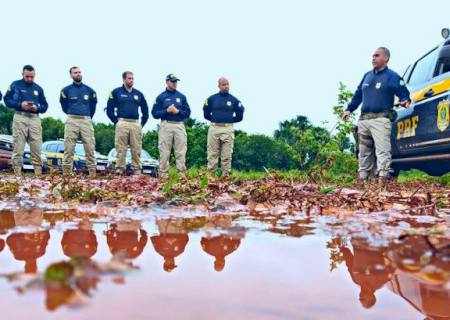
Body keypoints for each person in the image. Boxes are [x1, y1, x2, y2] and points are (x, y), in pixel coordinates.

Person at [343, 47, 411, 182]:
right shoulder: (367, 76)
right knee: (363, 153)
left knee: (382, 151)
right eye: (372, 56)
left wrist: (405, 101)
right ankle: (363, 180)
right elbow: (358, 95)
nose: (373, 58)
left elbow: (403, 92)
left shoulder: (392, 76)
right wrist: (349, 109)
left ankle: (382, 180)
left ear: (386, 58)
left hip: (381, 120)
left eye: (377, 55)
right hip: (364, 120)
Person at [4, 65, 48, 176]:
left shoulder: (38, 89)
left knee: (37, 148)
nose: (29, 79)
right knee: (18, 148)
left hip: (34, 119)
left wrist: (37, 107)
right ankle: (17, 174)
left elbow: (45, 106)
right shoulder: (15, 85)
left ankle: (38, 174)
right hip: (20, 117)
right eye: (27, 76)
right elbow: (7, 100)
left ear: (34, 75)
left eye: (31, 77)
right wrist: (20, 104)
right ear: (22, 74)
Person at [106, 71, 149, 175]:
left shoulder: (138, 94)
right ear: (124, 79)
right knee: (121, 148)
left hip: (135, 123)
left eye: (132, 78)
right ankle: (119, 169)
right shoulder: (116, 92)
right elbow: (109, 109)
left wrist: (141, 124)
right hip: (122, 122)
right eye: (129, 78)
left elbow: (145, 110)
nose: (131, 80)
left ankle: (137, 170)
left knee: (136, 148)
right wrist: (116, 121)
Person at [60, 66, 97, 177]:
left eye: (79, 72)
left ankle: (92, 173)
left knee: (90, 148)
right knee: (69, 148)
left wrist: (88, 117)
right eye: (75, 72)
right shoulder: (65, 90)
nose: (78, 74)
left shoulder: (90, 91)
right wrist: (72, 113)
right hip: (72, 119)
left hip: (86, 120)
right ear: (71, 75)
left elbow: (93, 106)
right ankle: (67, 173)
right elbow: (64, 106)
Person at [151, 74, 190, 179]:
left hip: (179, 125)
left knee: (181, 151)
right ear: (167, 82)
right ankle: (163, 175)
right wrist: (166, 111)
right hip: (166, 125)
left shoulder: (182, 97)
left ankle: (181, 175)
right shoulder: (161, 97)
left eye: (176, 81)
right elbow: (154, 113)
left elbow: (187, 113)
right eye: (172, 81)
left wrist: (178, 111)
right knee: (164, 151)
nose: (174, 83)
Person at [203, 77, 244, 176]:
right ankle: (211, 178)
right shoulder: (211, 99)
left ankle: (225, 178)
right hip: (214, 128)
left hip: (228, 129)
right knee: (212, 155)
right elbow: (206, 114)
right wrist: (216, 120)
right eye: (224, 84)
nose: (226, 86)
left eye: (227, 84)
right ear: (219, 86)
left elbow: (240, 114)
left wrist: (229, 120)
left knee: (226, 156)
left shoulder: (234, 100)